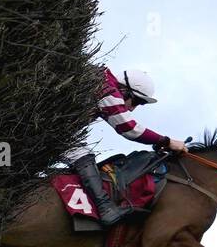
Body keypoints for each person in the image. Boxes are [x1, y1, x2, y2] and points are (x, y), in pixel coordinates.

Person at [72, 67, 187, 226]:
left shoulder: (102, 84)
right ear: (124, 89)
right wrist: (167, 141)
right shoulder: (108, 91)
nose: (132, 108)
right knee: (80, 152)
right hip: (49, 129)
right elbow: (129, 129)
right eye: (136, 101)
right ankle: (105, 208)